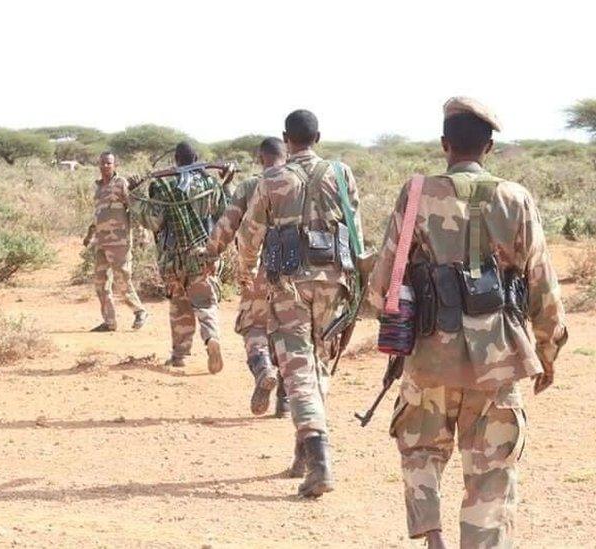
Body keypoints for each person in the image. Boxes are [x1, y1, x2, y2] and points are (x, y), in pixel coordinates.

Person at [365, 97, 568, 549]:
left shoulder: (416, 193)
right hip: (498, 360)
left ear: (444, 145)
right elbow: (543, 287)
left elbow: (382, 286)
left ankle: (432, 536)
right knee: (492, 475)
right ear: (489, 148)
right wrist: (547, 352)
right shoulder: (516, 198)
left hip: (429, 356)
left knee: (420, 451)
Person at [236, 110, 364, 498]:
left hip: (288, 286)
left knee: (297, 370)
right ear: (318, 137)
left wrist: (245, 274)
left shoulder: (273, 179)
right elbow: (356, 234)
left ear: (285, 138)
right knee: (318, 365)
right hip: (333, 284)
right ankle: (303, 456)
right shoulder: (340, 174)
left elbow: (249, 234)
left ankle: (319, 459)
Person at [205, 137, 287, 415]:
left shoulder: (253, 185)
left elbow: (229, 224)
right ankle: (286, 401)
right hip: (304, 270)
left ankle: (263, 368)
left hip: (263, 268)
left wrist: (211, 253)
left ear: (261, 158)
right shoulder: (304, 182)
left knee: (254, 327)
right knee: (294, 333)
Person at [131, 142, 227, 372]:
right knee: (205, 303)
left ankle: (180, 355)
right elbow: (225, 215)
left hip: (173, 259)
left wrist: (134, 195)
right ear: (196, 159)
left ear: (175, 160)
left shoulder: (163, 187)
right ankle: (211, 337)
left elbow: (153, 221)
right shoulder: (211, 183)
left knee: (179, 306)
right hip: (203, 254)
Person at [84, 151, 148, 332]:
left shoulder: (121, 184)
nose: (105, 166)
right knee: (100, 283)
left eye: (109, 163)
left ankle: (140, 311)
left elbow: (134, 210)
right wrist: (89, 235)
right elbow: (98, 215)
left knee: (122, 280)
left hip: (119, 242)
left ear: (115, 165)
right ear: (99, 164)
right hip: (101, 243)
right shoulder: (98, 189)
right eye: (103, 163)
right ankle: (109, 322)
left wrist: (142, 234)